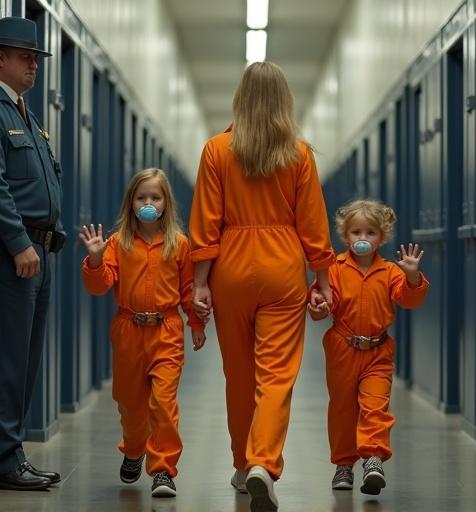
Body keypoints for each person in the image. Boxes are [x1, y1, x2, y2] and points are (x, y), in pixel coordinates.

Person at [189, 61, 335, 511]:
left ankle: (240, 463)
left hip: (230, 267)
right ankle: (262, 463)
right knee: (276, 376)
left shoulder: (217, 150)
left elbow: (205, 223)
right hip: (282, 266)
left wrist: (199, 283)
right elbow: (312, 224)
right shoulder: (299, 154)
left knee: (239, 374)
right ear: (284, 102)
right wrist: (324, 279)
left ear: (240, 99)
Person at [80, 168, 206, 497]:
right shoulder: (117, 243)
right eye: (141, 197)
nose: (148, 202)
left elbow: (190, 288)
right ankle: (134, 448)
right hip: (128, 331)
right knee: (131, 404)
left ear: (166, 203)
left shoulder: (179, 244)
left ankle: (163, 469)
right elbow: (100, 285)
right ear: (131, 203)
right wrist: (95, 261)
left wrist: (195, 322)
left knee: (163, 403)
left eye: (155, 197)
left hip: (166, 330)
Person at [308, 198, 429, 495]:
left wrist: (412, 275)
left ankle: (373, 458)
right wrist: (319, 305)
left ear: (382, 237)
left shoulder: (390, 271)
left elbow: (409, 298)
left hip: (378, 351)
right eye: (356, 233)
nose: (363, 239)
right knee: (342, 410)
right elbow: (320, 303)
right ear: (345, 236)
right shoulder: (333, 268)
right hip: (342, 348)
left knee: (375, 406)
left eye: (370, 233)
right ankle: (344, 465)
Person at [0, 17, 66, 491]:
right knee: (9, 361)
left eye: (36, 59)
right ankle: (6, 459)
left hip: (39, 255)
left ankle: (11, 452)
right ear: (0, 57)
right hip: (14, 255)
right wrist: (19, 241)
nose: (33, 66)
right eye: (25, 56)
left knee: (26, 361)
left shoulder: (26, 114)